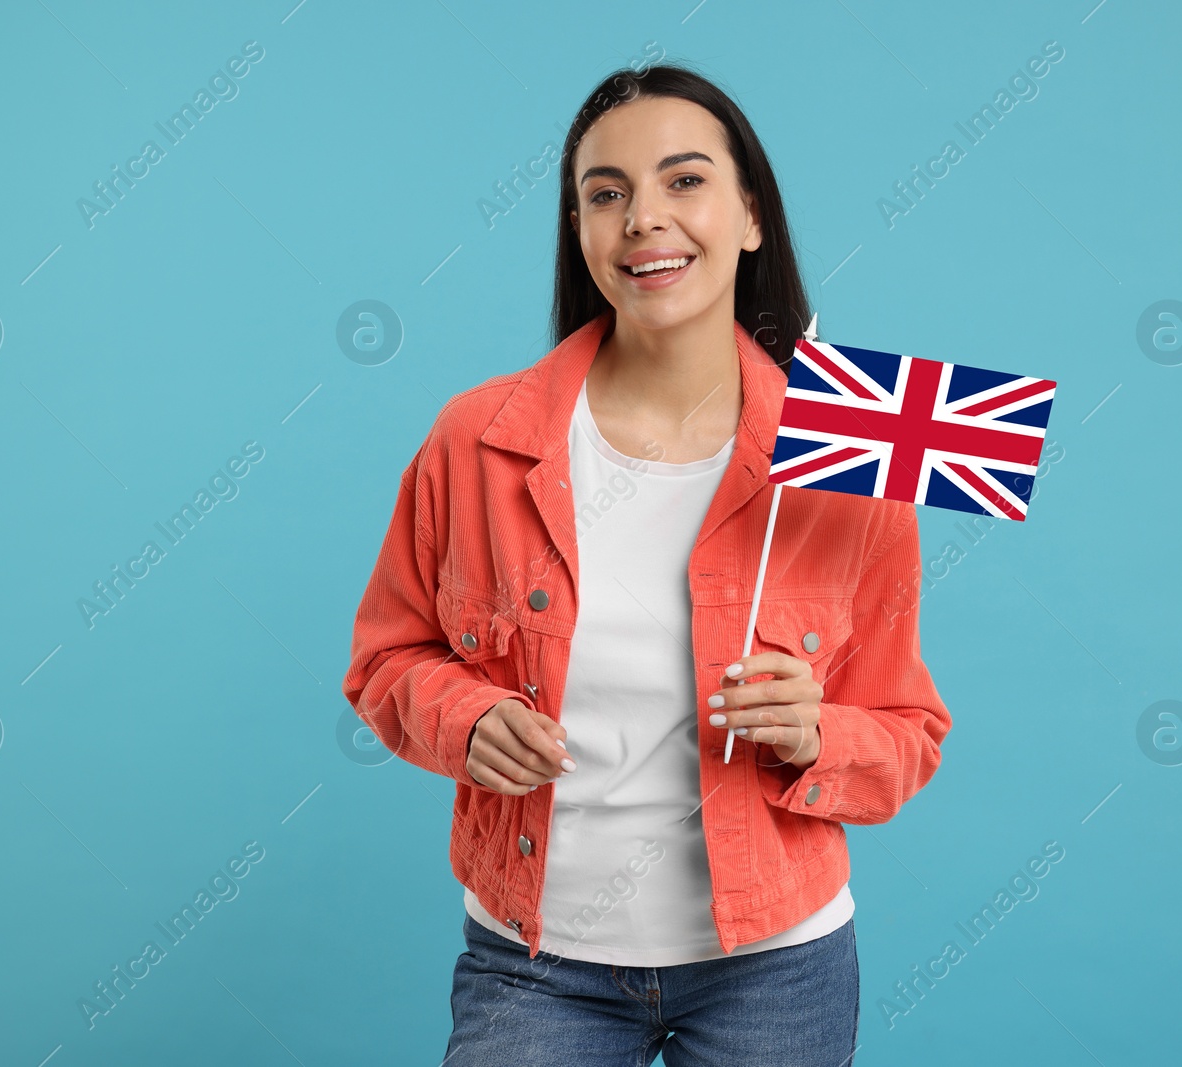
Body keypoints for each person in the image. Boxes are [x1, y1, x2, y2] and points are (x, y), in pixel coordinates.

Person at [341, 61, 952, 1066]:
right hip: (535, 960)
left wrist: (815, 732)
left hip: (776, 964)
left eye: (684, 181)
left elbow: (908, 735)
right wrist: (467, 716)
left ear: (750, 214)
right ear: (579, 231)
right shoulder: (476, 440)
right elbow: (385, 662)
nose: (641, 219)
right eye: (606, 193)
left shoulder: (848, 465)